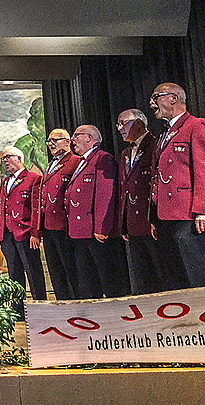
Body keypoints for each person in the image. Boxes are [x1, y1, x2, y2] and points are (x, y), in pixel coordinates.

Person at [149, 82, 205, 289]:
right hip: (165, 216)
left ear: (173, 98)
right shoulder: (164, 133)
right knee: (173, 276)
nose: (151, 103)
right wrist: (153, 215)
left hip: (187, 216)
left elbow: (202, 169)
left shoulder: (195, 125)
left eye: (156, 97)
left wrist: (202, 210)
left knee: (195, 274)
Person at [66, 125, 130, 299]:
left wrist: (101, 227)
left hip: (96, 232)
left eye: (76, 136)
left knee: (108, 279)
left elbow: (105, 196)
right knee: (87, 281)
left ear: (89, 137)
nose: (72, 140)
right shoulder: (83, 162)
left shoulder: (103, 159)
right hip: (81, 232)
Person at [116, 109, 166, 294]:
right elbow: (124, 189)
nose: (119, 128)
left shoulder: (155, 145)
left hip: (151, 221)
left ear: (138, 123)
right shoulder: (125, 153)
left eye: (123, 123)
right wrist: (123, 223)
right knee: (142, 276)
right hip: (133, 224)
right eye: (118, 124)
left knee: (160, 272)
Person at [0, 147, 46, 317]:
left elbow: (36, 208)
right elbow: (1, 209)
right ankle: (19, 309)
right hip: (8, 235)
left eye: (7, 157)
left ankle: (39, 306)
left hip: (25, 234)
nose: (5, 161)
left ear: (19, 158)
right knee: (14, 273)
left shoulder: (33, 179)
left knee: (33, 271)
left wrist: (35, 233)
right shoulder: (4, 182)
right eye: (3, 159)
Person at [37, 129, 80, 300]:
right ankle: (62, 301)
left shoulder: (75, 161)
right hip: (49, 224)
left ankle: (74, 302)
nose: (51, 144)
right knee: (55, 268)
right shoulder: (51, 164)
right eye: (49, 141)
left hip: (64, 224)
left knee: (69, 267)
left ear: (67, 141)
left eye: (55, 139)